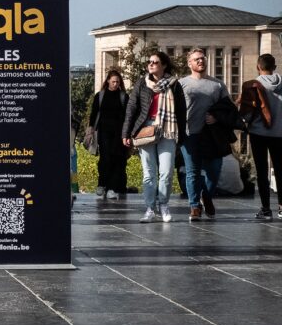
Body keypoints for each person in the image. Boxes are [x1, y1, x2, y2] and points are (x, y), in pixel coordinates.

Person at [122, 50, 187, 223]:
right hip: (146, 129)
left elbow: (181, 111)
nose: (151, 64)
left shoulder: (174, 84)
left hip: (167, 129)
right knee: (149, 173)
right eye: (149, 62)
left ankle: (164, 205)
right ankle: (150, 208)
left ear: (164, 65)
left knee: (166, 172)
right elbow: (131, 108)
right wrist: (126, 133)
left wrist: (182, 135)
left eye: (155, 62)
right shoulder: (142, 84)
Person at [178, 48, 229, 221]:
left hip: (212, 135)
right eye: (196, 59)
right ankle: (194, 206)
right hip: (189, 134)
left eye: (202, 58)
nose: (201, 61)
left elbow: (228, 109)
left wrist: (216, 118)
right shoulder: (181, 84)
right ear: (189, 63)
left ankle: (206, 196)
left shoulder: (218, 85)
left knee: (214, 172)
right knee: (193, 172)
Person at [239, 54, 282, 219]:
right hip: (279, 133)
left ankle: (265, 209)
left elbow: (247, 114)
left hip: (259, 133)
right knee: (280, 169)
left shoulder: (252, 85)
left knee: (262, 171)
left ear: (258, 66)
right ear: (275, 67)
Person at [87, 69, 130, 200]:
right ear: (107, 82)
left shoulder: (124, 96)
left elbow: (128, 115)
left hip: (119, 133)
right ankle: (102, 185)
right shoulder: (100, 96)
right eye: (113, 81)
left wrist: (127, 133)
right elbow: (94, 114)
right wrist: (90, 129)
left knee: (117, 160)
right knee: (105, 159)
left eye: (117, 82)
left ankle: (112, 188)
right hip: (103, 132)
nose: (115, 84)